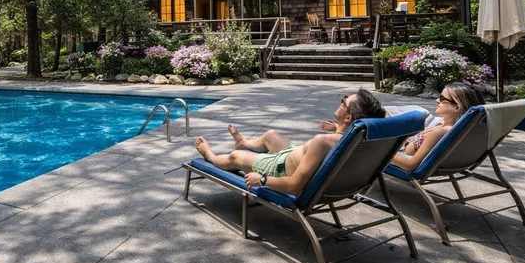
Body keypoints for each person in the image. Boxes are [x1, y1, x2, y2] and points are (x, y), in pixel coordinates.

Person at [193, 88, 386, 195]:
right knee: (270, 135)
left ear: (348, 118)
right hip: (294, 154)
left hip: (279, 168)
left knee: (235, 156)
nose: (340, 102)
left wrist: (262, 180)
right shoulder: (358, 139)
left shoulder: (323, 141)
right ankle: (244, 142)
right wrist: (337, 128)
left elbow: (294, 186)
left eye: (343, 102)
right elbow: (383, 115)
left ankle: (210, 155)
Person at [388, 82, 485, 171]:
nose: (437, 100)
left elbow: (410, 165)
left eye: (442, 99)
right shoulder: (458, 128)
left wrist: (383, 154)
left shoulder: (439, 133)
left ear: (456, 107)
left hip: (397, 156)